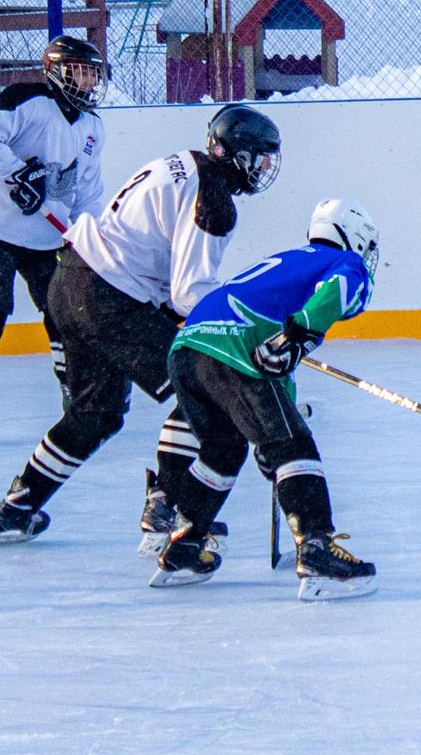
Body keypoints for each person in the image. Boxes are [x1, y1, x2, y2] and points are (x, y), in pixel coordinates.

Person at [0, 104, 282, 546]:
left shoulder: (184, 161)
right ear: (238, 154)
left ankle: (16, 508)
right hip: (110, 299)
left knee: (94, 414)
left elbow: (168, 282)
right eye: (262, 157)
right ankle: (168, 503)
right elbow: (189, 292)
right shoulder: (214, 199)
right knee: (203, 387)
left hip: (72, 280)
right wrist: (244, 334)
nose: (266, 167)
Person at [152, 198, 380, 599]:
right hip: (234, 349)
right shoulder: (343, 262)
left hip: (186, 349)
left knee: (222, 450)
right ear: (356, 237)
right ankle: (315, 549)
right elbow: (343, 288)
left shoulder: (289, 261)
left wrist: (270, 430)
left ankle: (184, 545)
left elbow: (278, 379)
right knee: (293, 444)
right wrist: (302, 332)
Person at [0, 36, 108, 445]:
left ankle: (76, 392)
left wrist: (85, 237)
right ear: (56, 69)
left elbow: (87, 190)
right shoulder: (25, 98)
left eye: (92, 71)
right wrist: (20, 171)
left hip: (46, 237)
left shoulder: (92, 127)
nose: (88, 79)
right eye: (80, 70)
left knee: (65, 315)